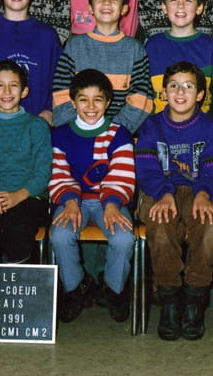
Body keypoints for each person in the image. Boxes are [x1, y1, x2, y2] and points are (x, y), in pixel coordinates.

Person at [136, 62, 213, 341]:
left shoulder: (211, 128)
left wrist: (204, 192)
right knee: (161, 221)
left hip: (200, 190)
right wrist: (164, 193)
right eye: (174, 86)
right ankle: (169, 300)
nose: (180, 92)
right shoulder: (152, 126)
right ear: (163, 92)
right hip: (158, 190)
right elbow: (146, 169)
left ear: (200, 94)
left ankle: (193, 300)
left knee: (210, 224)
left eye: (188, 86)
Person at [49, 69, 135, 323]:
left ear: (107, 102)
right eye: (83, 99)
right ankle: (75, 287)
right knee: (61, 235)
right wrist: (70, 201)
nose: (90, 106)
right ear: (73, 102)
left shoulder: (119, 134)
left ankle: (113, 288)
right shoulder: (61, 134)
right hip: (72, 200)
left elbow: (122, 174)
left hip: (110, 200)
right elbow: (59, 173)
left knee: (123, 238)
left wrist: (112, 204)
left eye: (98, 99)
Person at [0, 60, 51, 264]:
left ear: (24, 91)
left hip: (29, 197)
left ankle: (18, 279)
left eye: (13, 85)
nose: (6, 92)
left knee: (18, 230)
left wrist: (18, 196)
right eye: (0, 85)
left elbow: (43, 172)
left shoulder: (37, 126)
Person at [52, 0, 153, 134]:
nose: (106, 3)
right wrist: (79, 129)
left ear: (124, 8)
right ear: (90, 8)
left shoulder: (135, 50)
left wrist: (112, 132)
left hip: (117, 136)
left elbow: (141, 99)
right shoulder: (74, 46)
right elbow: (60, 94)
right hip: (77, 135)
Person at [145, 0, 213, 117]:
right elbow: (143, 95)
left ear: (199, 8)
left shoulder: (210, 48)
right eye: (174, 0)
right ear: (164, 7)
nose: (180, 6)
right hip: (160, 127)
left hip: (201, 126)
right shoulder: (152, 46)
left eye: (188, 0)